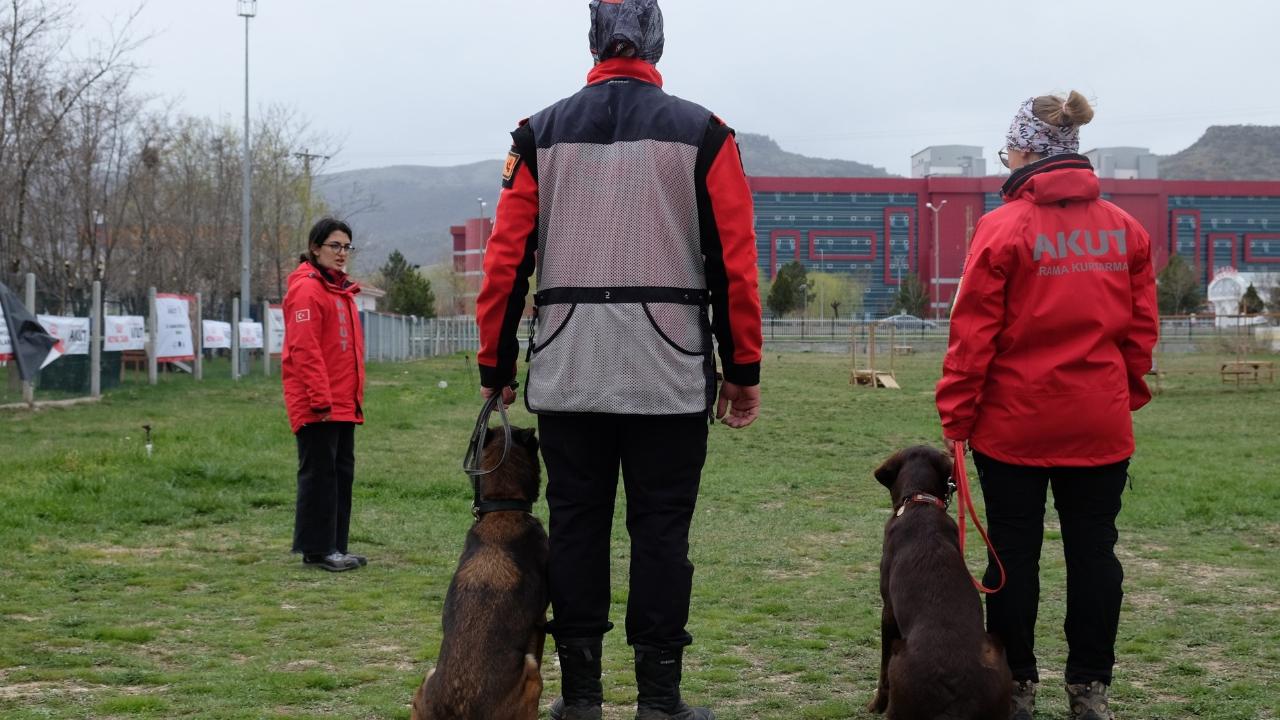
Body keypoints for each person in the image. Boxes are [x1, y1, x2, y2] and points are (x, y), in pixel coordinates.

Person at [475, 2, 762, 718]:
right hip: (670, 373)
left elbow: (505, 261)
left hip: (571, 367)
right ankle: (661, 700)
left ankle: (580, 699)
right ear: (657, 41)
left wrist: (494, 366)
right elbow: (735, 265)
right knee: (662, 534)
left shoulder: (536, 134)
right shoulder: (706, 133)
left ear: (594, 41)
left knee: (576, 529)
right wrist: (743, 369)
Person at [936, 92, 1158, 720]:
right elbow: (1141, 331)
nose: (1004, 155)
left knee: (1012, 555)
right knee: (1094, 553)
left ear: (1029, 150)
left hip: (1014, 425)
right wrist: (1123, 392)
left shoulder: (1002, 227)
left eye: (1008, 145)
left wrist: (956, 413)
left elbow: (973, 332)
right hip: (1099, 419)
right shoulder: (1126, 229)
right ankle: (1090, 689)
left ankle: (1017, 687)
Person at [282, 217, 368, 573]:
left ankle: (333, 546)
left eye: (346, 246)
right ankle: (318, 549)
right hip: (319, 404)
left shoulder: (339, 290)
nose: (342, 253)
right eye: (335, 245)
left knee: (339, 472)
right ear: (315, 248)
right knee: (320, 475)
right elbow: (304, 349)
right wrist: (320, 399)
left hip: (342, 402)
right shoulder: (307, 290)